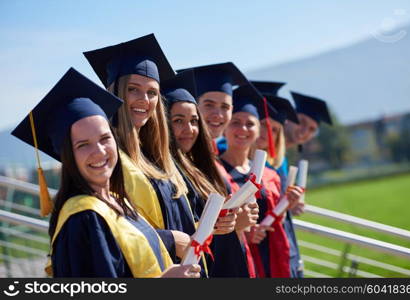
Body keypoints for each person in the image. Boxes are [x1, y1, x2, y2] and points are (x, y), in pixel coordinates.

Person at [11, 68, 200, 278]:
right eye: (83, 145)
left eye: (104, 139)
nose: (99, 151)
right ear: (68, 155)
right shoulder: (84, 218)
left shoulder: (118, 202)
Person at [84, 34, 199, 263]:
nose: (144, 100)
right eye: (133, 89)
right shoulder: (104, 156)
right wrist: (167, 240)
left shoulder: (157, 155)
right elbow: (102, 230)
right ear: (114, 91)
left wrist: (211, 223)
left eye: (152, 92)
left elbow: (178, 218)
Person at [162, 70, 251, 277]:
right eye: (177, 120)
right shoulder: (167, 173)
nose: (189, 128)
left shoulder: (200, 164)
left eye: (194, 121)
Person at [219, 83, 292, 277]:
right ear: (225, 126)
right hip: (235, 262)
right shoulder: (214, 172)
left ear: (259, 130)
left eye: (250, 123)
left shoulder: (269, 175)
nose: (243, 128)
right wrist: (243, 231)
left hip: (270, 259)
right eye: (235, 122)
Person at [284, 90, 333, 278]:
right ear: (289, 117)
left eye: (312, 129)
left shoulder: (283, 161)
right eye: (302, 122)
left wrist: (288, 205)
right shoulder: (265, 152)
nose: (305, 132)